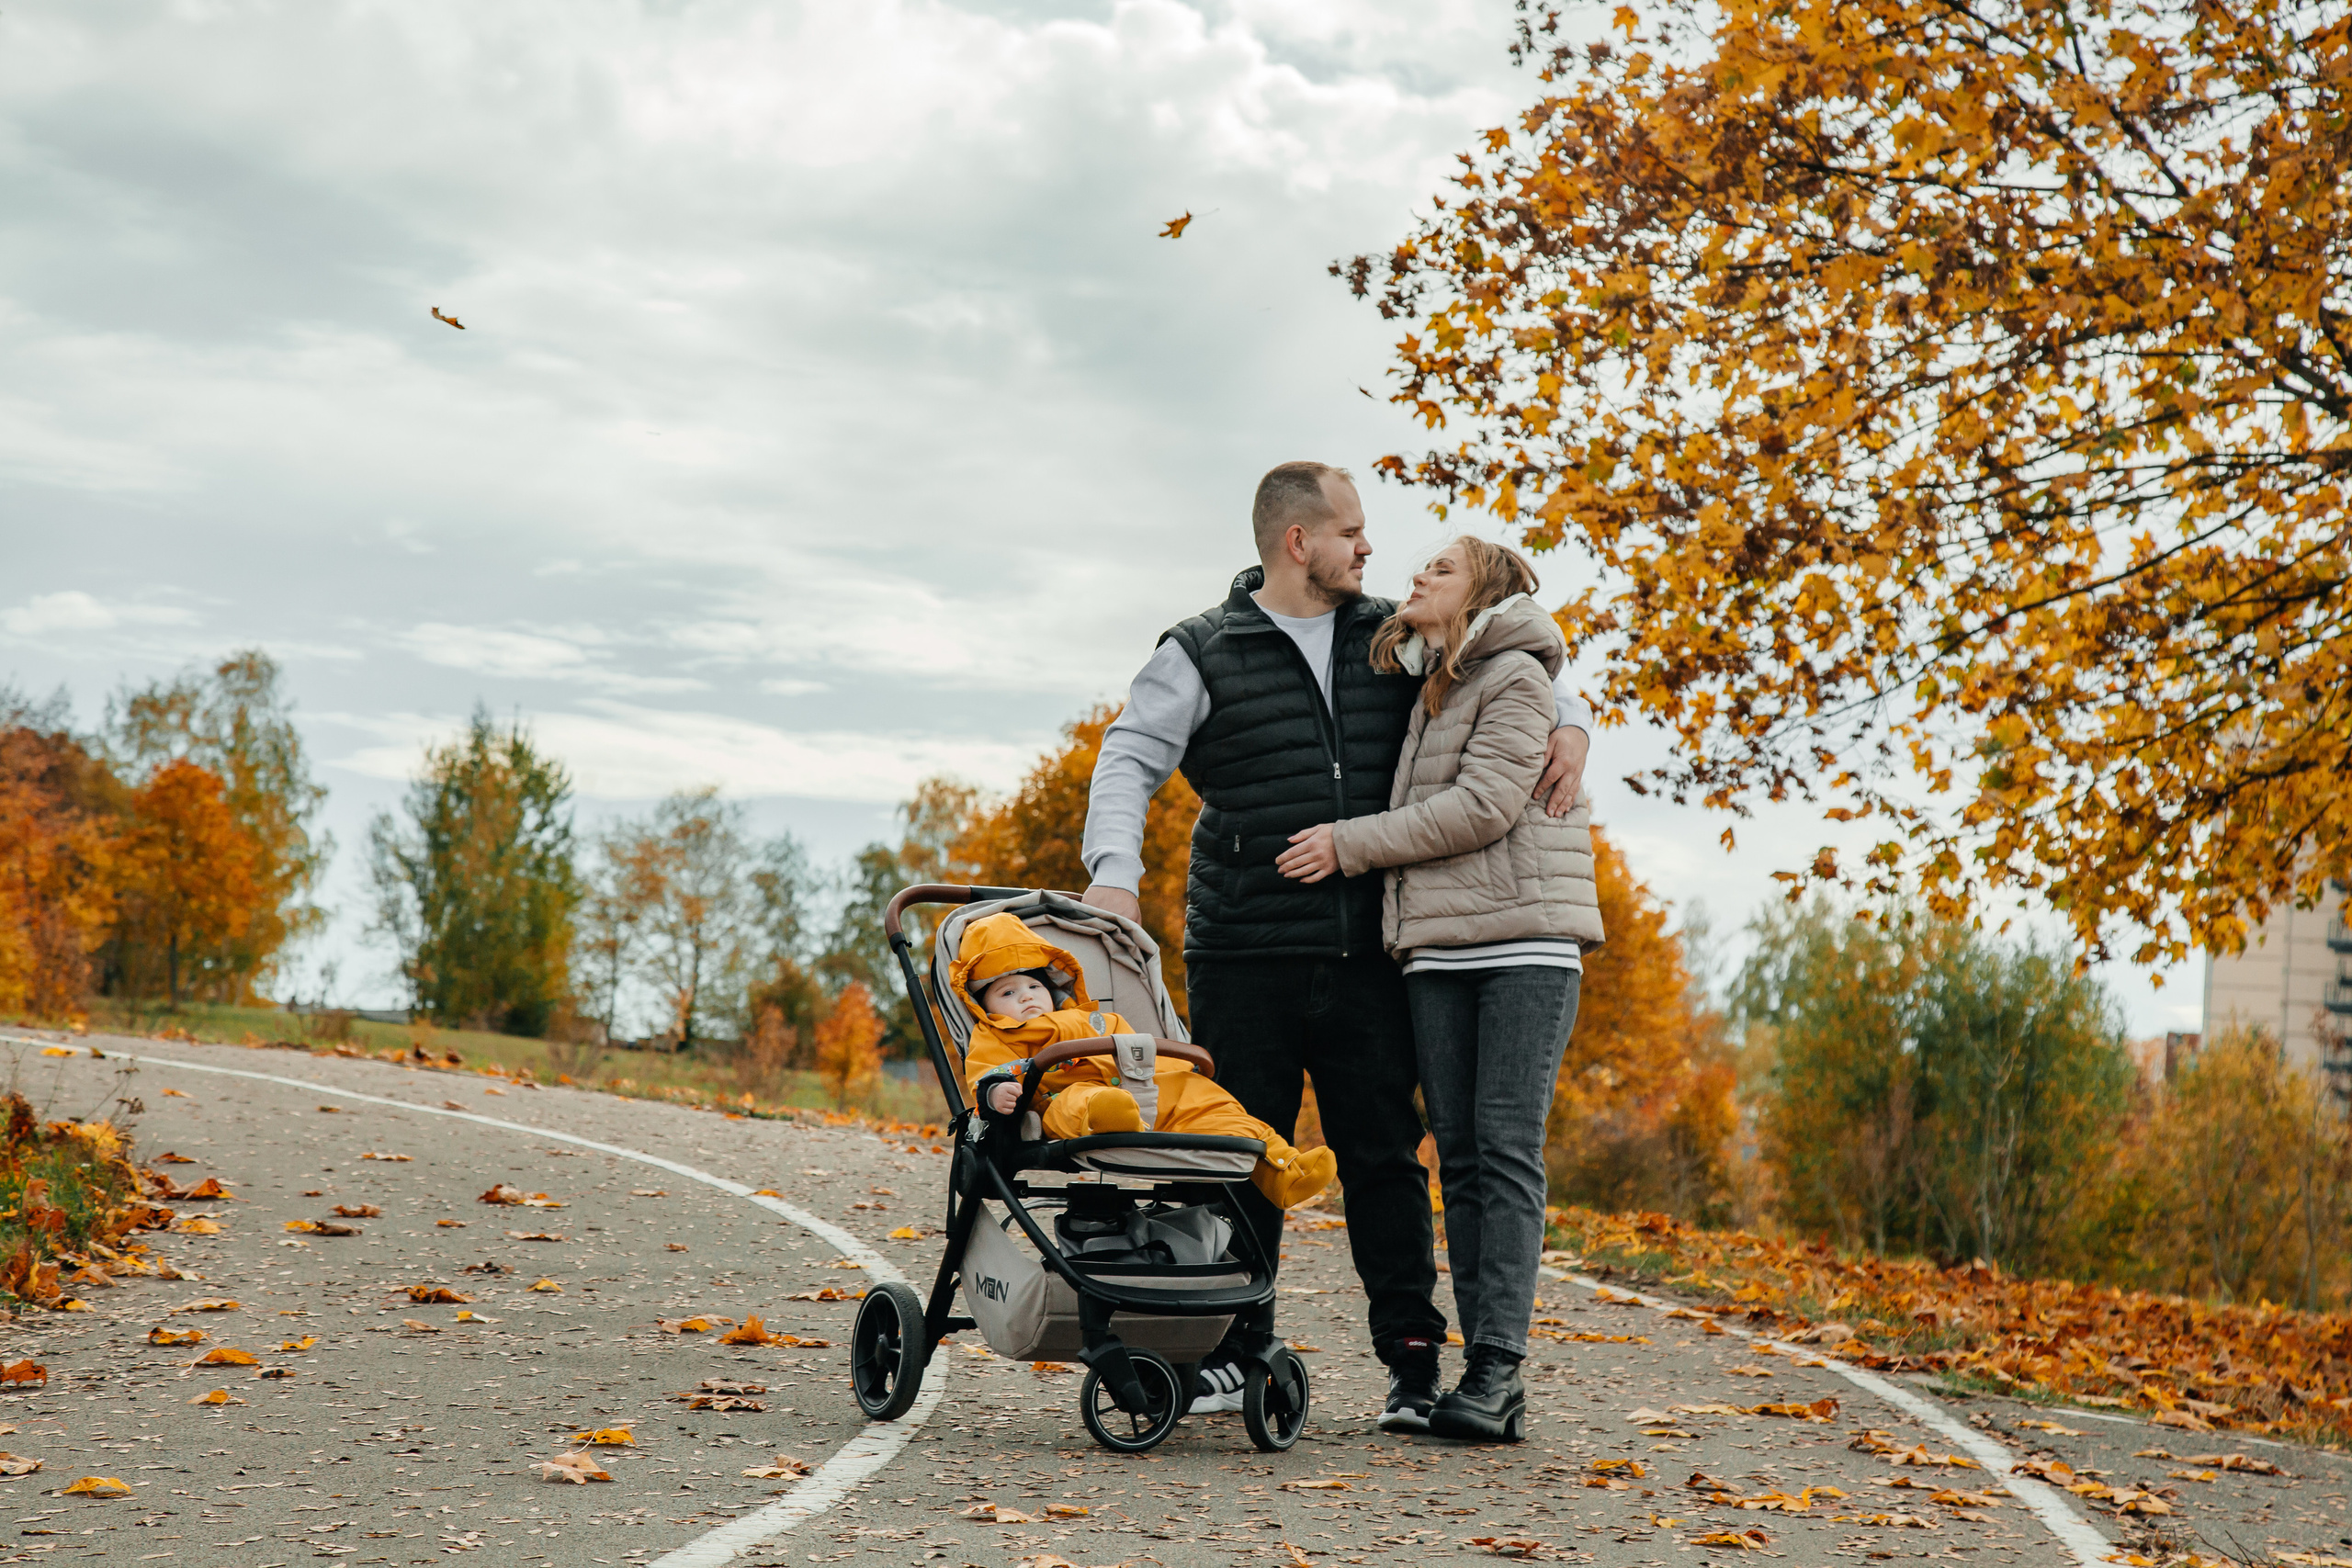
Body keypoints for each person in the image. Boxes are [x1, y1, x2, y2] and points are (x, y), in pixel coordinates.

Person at [1079, 460, 1592, 1429]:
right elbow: (1129, 754)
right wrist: (1113, 870)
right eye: (1351, 532)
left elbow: (1505, 659)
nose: (1369, 547)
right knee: (1241, 1155)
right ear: (1295, 543)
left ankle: (1411, 1364)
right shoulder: (1201, 650)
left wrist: (1575, 724)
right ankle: (1235, 1351)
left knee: (1384, 1159)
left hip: (1370, 951)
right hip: (1243, 947)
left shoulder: (1387, 635)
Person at [1274, 535, 1602, 1442]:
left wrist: (1349, 843)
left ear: (1483, 595)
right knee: (1456, 1157)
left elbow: (1485, 807)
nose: (1414, 577)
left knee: (1501, 1153)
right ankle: (1482, 1377)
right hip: (1438, 953)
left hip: (1523, 946)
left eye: (1440, 570)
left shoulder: (1513, 678)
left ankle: (1498, 1372)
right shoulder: (1436, 680)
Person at [952, 912, 1338, 1209]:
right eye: (1007, 992)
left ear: (1053, 987)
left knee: (1205, 1097)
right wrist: (995, 1091)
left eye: (1035, 985)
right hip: (1062, 1098)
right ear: (980, 1003)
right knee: (1079, 1102)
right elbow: (987, 1072)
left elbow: (1143, 1051)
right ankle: (1109, 1117)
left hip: (1139, 1086)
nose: (1026, 997)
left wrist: (1182, 1075)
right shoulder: (996, 1034)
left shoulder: (1098, 1019)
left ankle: (1280, 1168)